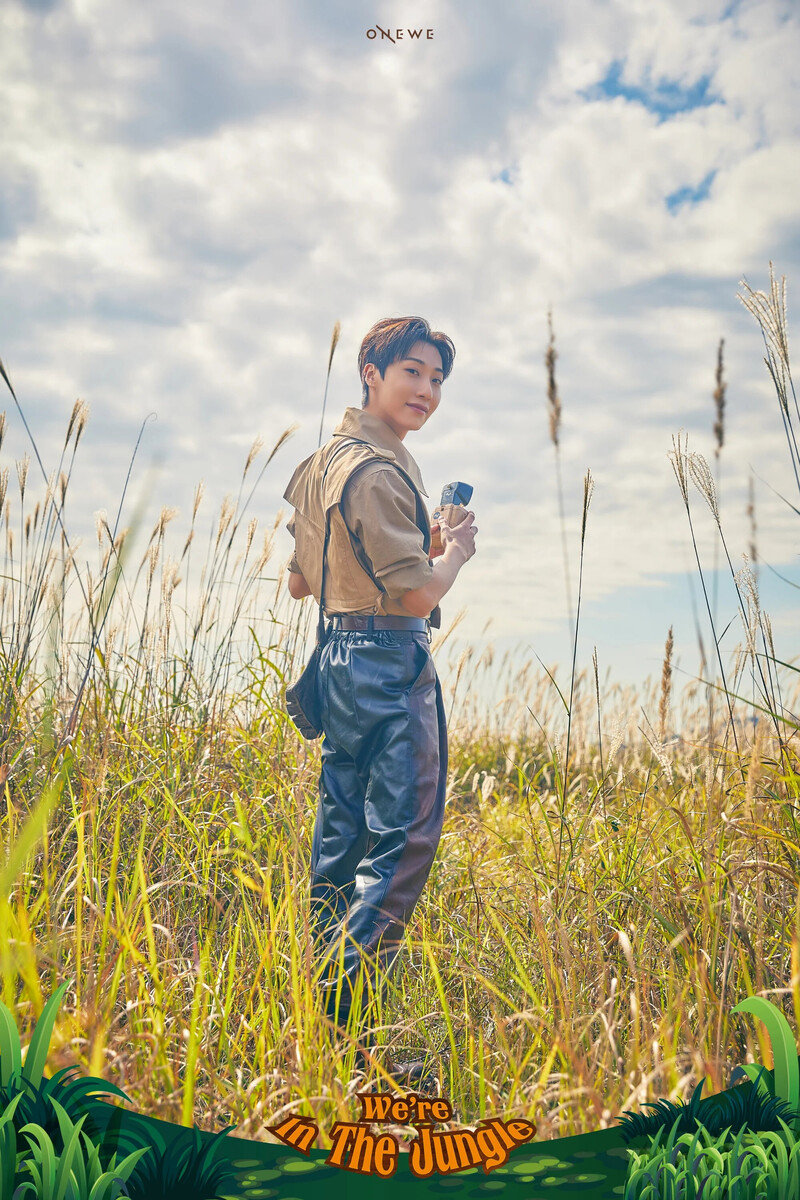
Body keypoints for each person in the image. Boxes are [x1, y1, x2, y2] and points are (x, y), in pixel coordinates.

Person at [282, 315, 477, 1063]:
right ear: (372, 370)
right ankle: (342, 1019)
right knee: (403, 839)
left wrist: (410, 554)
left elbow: (301, 583)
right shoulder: (380, 470)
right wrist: (452, 553)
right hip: (390, 665)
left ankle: (331, 1022)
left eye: (437, 379)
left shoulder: (318, 465)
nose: (427, 390)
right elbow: (414, 600)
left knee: (342, 843)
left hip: (335, 660)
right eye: (413, 372)